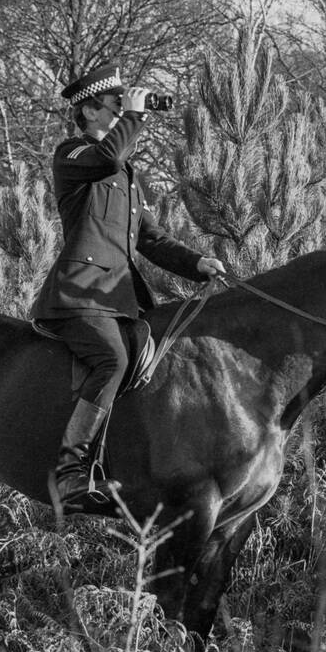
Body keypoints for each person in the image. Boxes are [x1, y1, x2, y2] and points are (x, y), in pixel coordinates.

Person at [30, 63, 226, 508]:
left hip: (117, 299)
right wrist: (135, 116)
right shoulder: (74, 155)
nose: (121, 113)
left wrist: (197, 263)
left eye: (124, 105)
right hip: (77, 296)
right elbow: (110, 156)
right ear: (89, 112)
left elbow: (151, 240)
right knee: (112, 359)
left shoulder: (127, 176)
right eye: (115, 106)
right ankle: (69, 472)